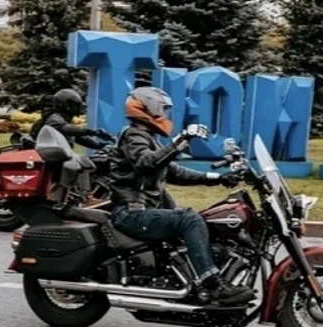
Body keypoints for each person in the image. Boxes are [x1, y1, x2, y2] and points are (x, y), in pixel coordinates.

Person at [107, 86, 255, 307]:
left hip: (143, 209)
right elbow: (146, 163)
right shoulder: (134, 136)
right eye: (163, 109)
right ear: (149, 108)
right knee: (189, 218)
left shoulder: (148, 137)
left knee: (201, 218)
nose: (165, 115)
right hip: (131, 212)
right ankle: (213, 285)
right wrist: (182, 140)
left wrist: (217, 178)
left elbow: (174, 171)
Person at [30, 88, 114, 151]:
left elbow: (80, 138)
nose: (78, 108)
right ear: (66, 105)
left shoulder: (63, 119)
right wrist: (93, 132)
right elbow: (66, 129)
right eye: (75, 105)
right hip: (51, 161)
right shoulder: (53, 118)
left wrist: (100, 145)